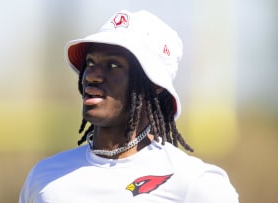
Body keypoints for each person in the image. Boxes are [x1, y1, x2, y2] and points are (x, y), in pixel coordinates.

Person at [19, 9, 239, 203]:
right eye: (90, 63)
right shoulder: (44, 178)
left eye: (113, 65)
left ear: (154, 85)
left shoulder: (195, 184)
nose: (92, 75)